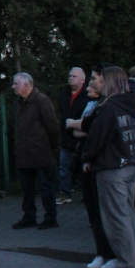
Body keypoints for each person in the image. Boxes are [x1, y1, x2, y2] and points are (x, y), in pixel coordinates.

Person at [82, 66, 135, 268]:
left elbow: (96, 138)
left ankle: (127, 266)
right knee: (129, 216)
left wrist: (88, 158)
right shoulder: (130, 105)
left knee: (116, 218)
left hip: (112, 167)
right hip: (132, 164)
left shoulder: (109, 108)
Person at [11, 73, 60, 230]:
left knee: (46, 187)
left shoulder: (41, 101)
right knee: (27, 188)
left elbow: (53, 126)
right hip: (24, 154)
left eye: (16, 83)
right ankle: (29, 216)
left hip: (40, 153)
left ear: (26, 85)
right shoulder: (18, 103)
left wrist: (49, 147)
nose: (13, 86)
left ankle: (51, 217)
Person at [57, 67, 89, 205]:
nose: (71, 78)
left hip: (82, 137)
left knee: (84, 167)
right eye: (70, 75)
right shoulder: (64, 94)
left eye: (74, 76)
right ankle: (65, 192)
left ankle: (87, 193)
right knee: (64, 166)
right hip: (66, 137)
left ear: (82, 80)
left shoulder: (87, 96)